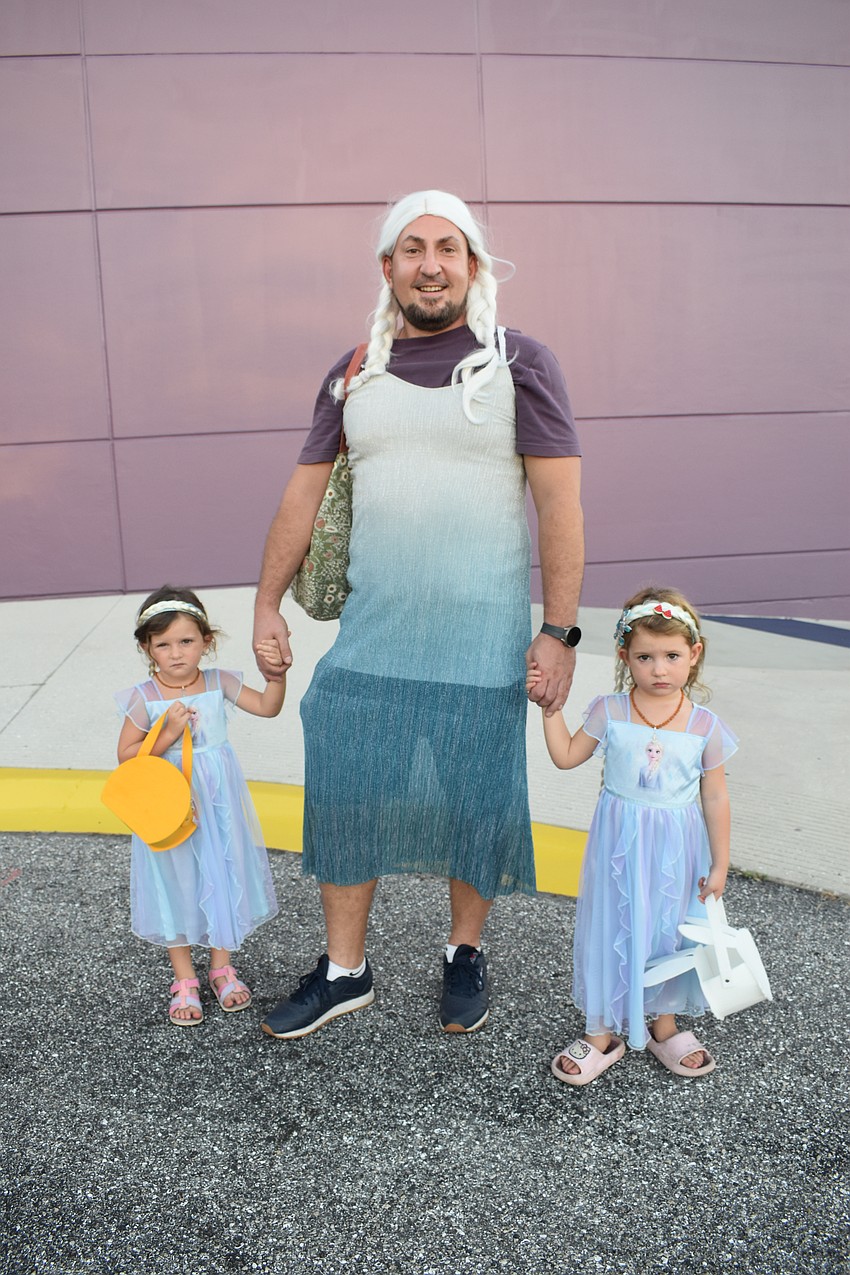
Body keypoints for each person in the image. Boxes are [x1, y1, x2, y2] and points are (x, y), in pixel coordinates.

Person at [253, 190, 583, 1039]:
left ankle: (463, 952)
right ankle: (345, 969)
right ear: (387, 266)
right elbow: (302, 495)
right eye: (412, 248)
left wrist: (559, 631)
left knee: (477, 802)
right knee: (346, 791)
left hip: (482, 645)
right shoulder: (352, 371)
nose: (430, 265)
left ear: (473, 265)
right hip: (374, 640)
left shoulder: (520, 362)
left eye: (447, 248)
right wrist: (264, 603)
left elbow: (559, 504)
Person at [526, 586, 737, 1085]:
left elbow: (715, 797)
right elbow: (566, 756)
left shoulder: (704, 726)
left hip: (676, 849)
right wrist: (550, 709)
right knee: (612, 922)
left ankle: (663, 1024)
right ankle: (600, 1030)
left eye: (671, 656)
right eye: (645, 657)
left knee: (668, 929)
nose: (659, 669)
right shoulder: (611, 712)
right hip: (617, 844)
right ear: (625, 656)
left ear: (694, 654)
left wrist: (721, 862)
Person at [116, 586, 286, 1026]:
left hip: (218, 804)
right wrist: (167, 734)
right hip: (168, 803)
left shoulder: (218, 682)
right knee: (174, 879)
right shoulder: (144, 697)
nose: (176, 653)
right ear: (146, 648)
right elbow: (127, 757)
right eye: (163, 644)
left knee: (222, 869)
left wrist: (277, 676)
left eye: (186, 641)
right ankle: (184, 977)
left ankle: (221, 967)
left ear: (206, 641)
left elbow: (267, 707)